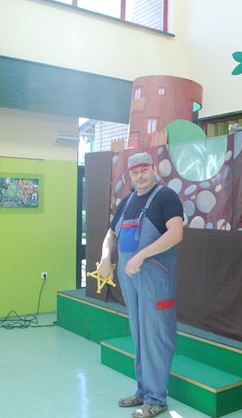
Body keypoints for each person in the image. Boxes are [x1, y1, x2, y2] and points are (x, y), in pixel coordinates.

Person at [98, 152, 184, 418]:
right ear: (130, 175)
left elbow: (176, 233)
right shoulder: (126, 202)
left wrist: (141, 256)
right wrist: (105, 257)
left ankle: (157, 399)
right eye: (134, 172)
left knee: (156, 336)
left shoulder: (165, 197)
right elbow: (111, 234)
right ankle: (143, 391)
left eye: (144, 170)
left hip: (156, 278)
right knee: (139, 336)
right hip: (130, 279)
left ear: (154, 169)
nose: (140, 176)